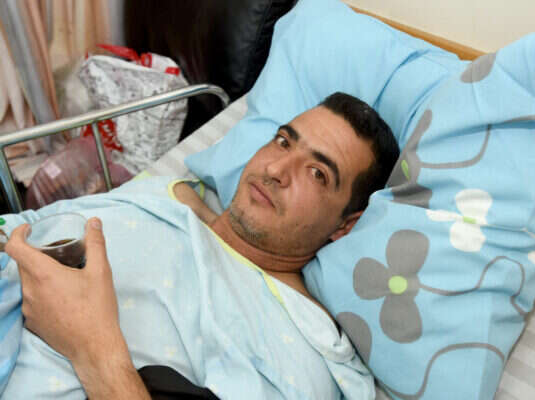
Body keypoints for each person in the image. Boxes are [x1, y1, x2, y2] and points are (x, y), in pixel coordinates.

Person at [4, 92, 399, 399]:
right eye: (283, 141)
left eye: (317, 173)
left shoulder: (299, 354)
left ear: (345, 225)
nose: (276, 170)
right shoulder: (167, 197)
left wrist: (92, 347)